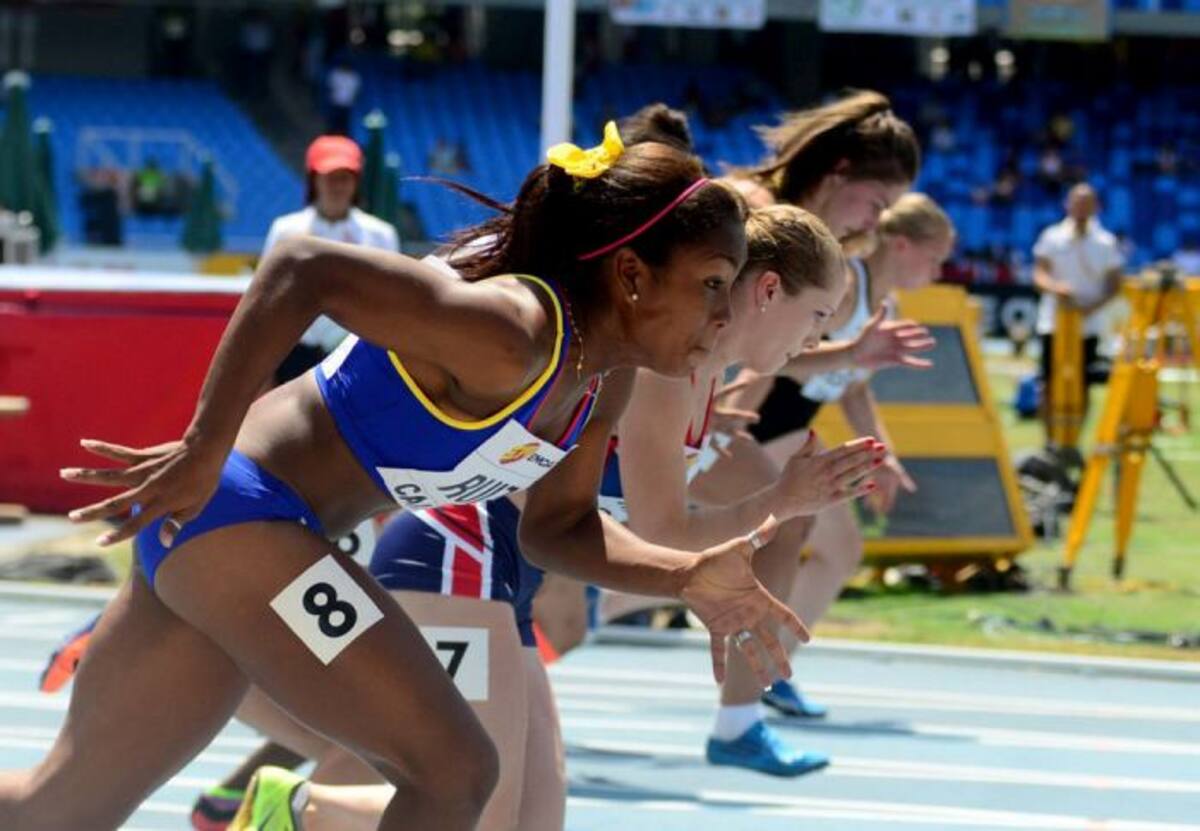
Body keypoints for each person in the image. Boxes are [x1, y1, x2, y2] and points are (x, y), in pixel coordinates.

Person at [1, 131, 806, 831]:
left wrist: (684, 574)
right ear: (631, 274)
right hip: (237, 514)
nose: (725, 314)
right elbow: (302, 267)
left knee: (56, 808)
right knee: (456, 771)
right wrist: (204, 447)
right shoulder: (515, 333)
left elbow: (556, 529)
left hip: (236, 538)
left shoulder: (602, 380)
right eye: (711, 283)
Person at [223, 203, 883, 830]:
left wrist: (770, 497)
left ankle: (304, 800)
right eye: (819, 315)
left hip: (511, 573)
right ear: (767, 290)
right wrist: (779, 501)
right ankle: (299, 805)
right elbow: (662, 531)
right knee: (481, 813)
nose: (817, 337)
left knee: (533, 819)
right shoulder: (669, 373)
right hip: (458, 552)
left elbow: (647, 518)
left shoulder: (705, 374)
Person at [691, 89, 924, 738]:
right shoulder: (754, 213)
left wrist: (851, 354)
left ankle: (741, 717)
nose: (877, 220)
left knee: (781, 523)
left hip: (692, 407)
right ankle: (737, 713)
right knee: (745, 524)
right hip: (648, 398)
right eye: (877, 202)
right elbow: (729, 335)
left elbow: (770, 352)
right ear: (840, 171)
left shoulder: (811, 240)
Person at [744, 194, 956, 685]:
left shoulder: (885, 305)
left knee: (833, 551)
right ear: (901, 245)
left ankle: (769, 675)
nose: (938, 272)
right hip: (761, 423)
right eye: (934, 259)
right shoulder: (844, 290)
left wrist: (885, 456)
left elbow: (855, 390)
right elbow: (776, 358)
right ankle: (763, 678)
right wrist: (850, 354)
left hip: (791, 431)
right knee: (718, 548)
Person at [264, 134, 399, 385]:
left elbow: (389, 303)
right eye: (330, 177)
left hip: (354, 356)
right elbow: (267, 300)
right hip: (293, 352)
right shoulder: (285, 230)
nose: (338, 186)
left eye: (344, 178)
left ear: (356, 182)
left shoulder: (380, 235)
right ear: (314, 180)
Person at [1032, 182, 1124, 439]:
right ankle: (1050, 441)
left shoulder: (1105, 242)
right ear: (1068, 204)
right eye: (1077, 202)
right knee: (1048, 382)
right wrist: (1056, 288)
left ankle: (1073, 440)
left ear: (1096, 207)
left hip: (1088, 326)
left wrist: (1091, 308)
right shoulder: (1052, 236)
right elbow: (1039, 274)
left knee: (1082, 384)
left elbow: (1115, 285)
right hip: (1053, 322)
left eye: (1087, 203)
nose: (1081, 208)